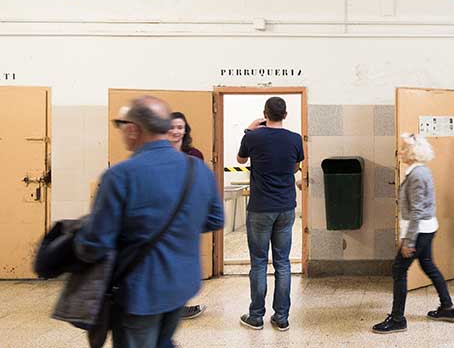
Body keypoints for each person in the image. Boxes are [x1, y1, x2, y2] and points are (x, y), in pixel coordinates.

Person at [75, 97, 224, 347]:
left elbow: (96, 243)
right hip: (182, 284)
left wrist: (73, 242)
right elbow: (215, 218)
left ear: (133, 129)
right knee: (164, 339)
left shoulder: (120, 175)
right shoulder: (197, 169)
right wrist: (179, 230)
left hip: (140, 290)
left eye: (121, 124)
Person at [372, 133, 454, 334]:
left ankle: (397, 319)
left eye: (403, 148)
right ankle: (447, 308)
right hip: (425, 228)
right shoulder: (419, 171)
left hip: (420, 231)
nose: (400, 152)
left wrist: (408, 241)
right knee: (428, 265)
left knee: (398, 270)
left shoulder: (418, 174)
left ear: (412, 152)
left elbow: (418, 210)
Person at [237, 97, 305, 332]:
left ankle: (256, 316)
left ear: (265, 114)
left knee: (258, 263)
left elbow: (241, 159)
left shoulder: (253, 137)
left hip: (259, 208)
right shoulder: (295, 139)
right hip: (286, 207)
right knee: (283, 263)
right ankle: (282, 317)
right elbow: (295, 166)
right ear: (285, 115)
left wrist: (250, 128)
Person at [168, 111, 208, 320]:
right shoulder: (158, 154)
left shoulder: (194, 155)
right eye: (171, 127)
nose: (175, 131)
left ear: (185, 130)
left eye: (179, 127)